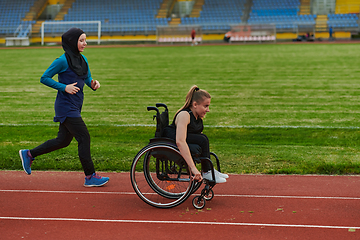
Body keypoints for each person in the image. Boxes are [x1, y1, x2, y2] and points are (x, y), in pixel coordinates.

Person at [19, 27, 109, 187]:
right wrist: (64, 87)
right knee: (84, 137)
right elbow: (44, 78)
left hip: (76, 104)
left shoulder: (83, 60)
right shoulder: (62, 60)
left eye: (85, 40)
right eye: (81, 40)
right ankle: (90, 176)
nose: (85, 43)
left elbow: (87, 78)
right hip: (65, 106)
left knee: (63, 141)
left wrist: (94, 84)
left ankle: (29, 154)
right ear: (72, 42)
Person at [163, 85, 229, 183]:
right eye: (205, 106)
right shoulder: (184, 115)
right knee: (202, 139)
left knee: (203, 138)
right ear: (195, 104)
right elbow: (180, 141)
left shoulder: (197, 117)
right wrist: (193, 168)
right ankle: (207, 172)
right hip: (173, 138)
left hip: (183, 137)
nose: (208, 110)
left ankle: (208, 170)